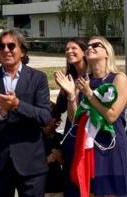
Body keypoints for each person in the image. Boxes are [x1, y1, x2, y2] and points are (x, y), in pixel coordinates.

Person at [0, 28, 52, 197]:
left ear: (22, 51)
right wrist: (1, 112)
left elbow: (45, 116)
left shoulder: (38, 78)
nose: (6, 50)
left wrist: (17, 105)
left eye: (11, 46)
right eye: (1, 47)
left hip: (31, 162)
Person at [56, 36, 127, 197]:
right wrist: (70, 95)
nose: (90, 47)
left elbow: (111, 116)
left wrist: (89, 94)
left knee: (112, 192)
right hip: (89, 147)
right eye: (88, 46)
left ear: (107, 53)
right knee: (90, 192)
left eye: (96, 45)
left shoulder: (118, 78)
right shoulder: (84, 81)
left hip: (111, 145)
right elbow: (74, 119)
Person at [54, 38, 87, 197]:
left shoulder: (92, 76)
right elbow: (59, 109)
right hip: (71, 133)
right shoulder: (69, 77)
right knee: (71, 179)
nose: (69, 51)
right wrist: (63, 91)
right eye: (66, 49)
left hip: (88, 134)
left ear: (84, 51)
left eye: (74, 48)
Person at [43, 102, 64, 197]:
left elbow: (68, 163)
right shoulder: (35, 140)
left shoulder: (60, 138)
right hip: (41, 188)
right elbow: (28, 164)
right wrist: (48, 159)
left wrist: (60, 158)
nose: (51, 121)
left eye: (53, 117)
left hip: (58, 187)